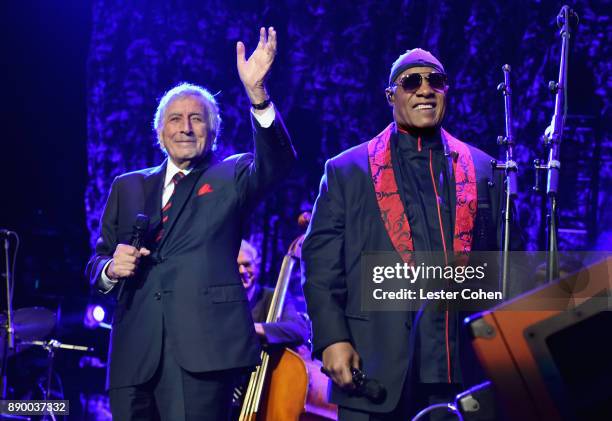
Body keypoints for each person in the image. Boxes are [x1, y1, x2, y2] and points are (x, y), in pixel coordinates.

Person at [85, 27, 296, 420]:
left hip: (202, 353)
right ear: (160, 132)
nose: (185, 127)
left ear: (212, 131)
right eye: (176, 119)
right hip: (134, 354)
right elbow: (96, 261)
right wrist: (111, 269)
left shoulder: (230, 174)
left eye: (196, 119)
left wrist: (258, 96)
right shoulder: (127, 186)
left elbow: (278, 164)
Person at [302, 48, 522, 420]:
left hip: (463, 367)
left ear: (446, 91)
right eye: (411, 82)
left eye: (435, 81)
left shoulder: (485, 169)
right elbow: (321, 268)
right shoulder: (347, 170)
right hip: (374, 367)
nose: (424, 90)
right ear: (392, 95)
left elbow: (508, 266)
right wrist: (332, 340)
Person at [238, 239, 310, 348]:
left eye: (247, 264)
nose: (242, 271)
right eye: (236, 266)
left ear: (256, 266)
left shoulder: (274, 297)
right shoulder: (220, 301)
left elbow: (300, 330)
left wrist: (250, 328)